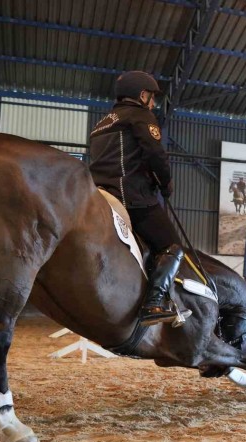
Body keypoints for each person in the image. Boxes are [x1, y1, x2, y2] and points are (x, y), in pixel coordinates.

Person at [89, 71, 188, 326]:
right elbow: (156, 154)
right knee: (172, 246)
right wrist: (165, 183)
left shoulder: (101, 124)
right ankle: (154, 303)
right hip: (130, 196)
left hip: (99, 194)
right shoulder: (140, 115)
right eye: (152, 97)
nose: (153, 103)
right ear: (142, 95)